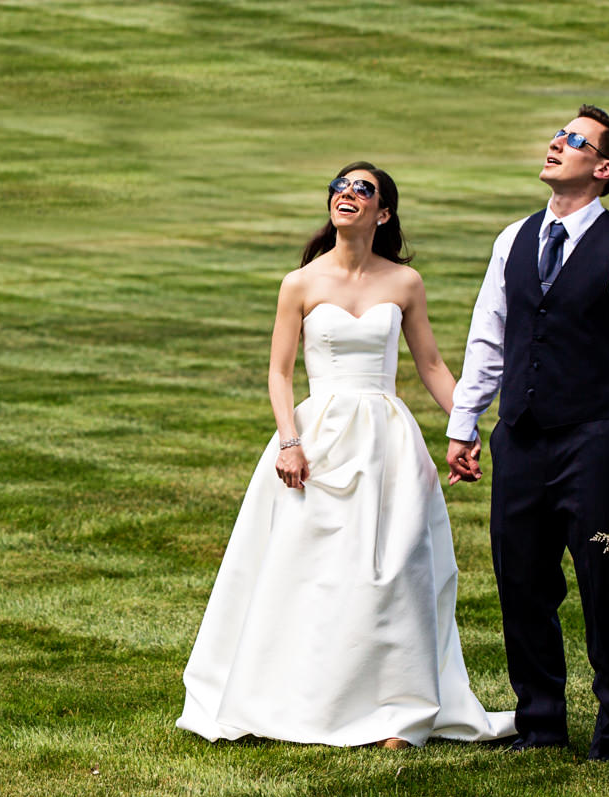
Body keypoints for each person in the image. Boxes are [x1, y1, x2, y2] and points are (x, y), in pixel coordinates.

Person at [177, 163, 514, 747]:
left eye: (363, 189)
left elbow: (431, 365)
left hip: (387, 438)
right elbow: (280, 373)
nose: (347, 195)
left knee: (397, 570)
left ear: (383, 213)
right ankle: (286, 701)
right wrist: (289, 440)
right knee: (307, 569)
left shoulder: (404, 283)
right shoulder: (300, 283)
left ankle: (397, 711)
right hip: (318, 436)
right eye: (340, 187)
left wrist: (466, 427)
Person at [446, 106, 609, 761]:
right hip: (518, 438)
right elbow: (488, 336)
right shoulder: (513, 238)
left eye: (575, 140)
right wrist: (465, 424)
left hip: (593, 442)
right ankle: (541, 722)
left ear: (603, 170)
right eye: (559, 134)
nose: (557, 142)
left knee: (606, 583)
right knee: (520, 581)